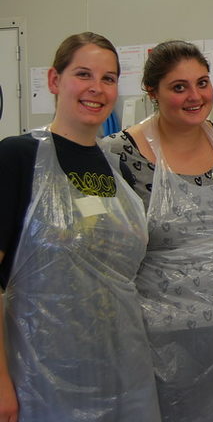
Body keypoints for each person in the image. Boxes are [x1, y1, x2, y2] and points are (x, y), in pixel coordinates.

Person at [0, 32, 161, 421]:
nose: (97, 88)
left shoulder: (117, 166)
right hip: (42, 377)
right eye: (83, 74)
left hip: (124, 368)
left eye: (108, 78)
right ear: (55, 81)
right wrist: (2, 382)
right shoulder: (18, 157)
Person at [104, 40, 213, 421]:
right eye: (179, 87)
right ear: (152, 92)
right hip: (158, 335)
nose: (195, 96)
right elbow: (107, 255)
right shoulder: (120, 154)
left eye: (202, 83)